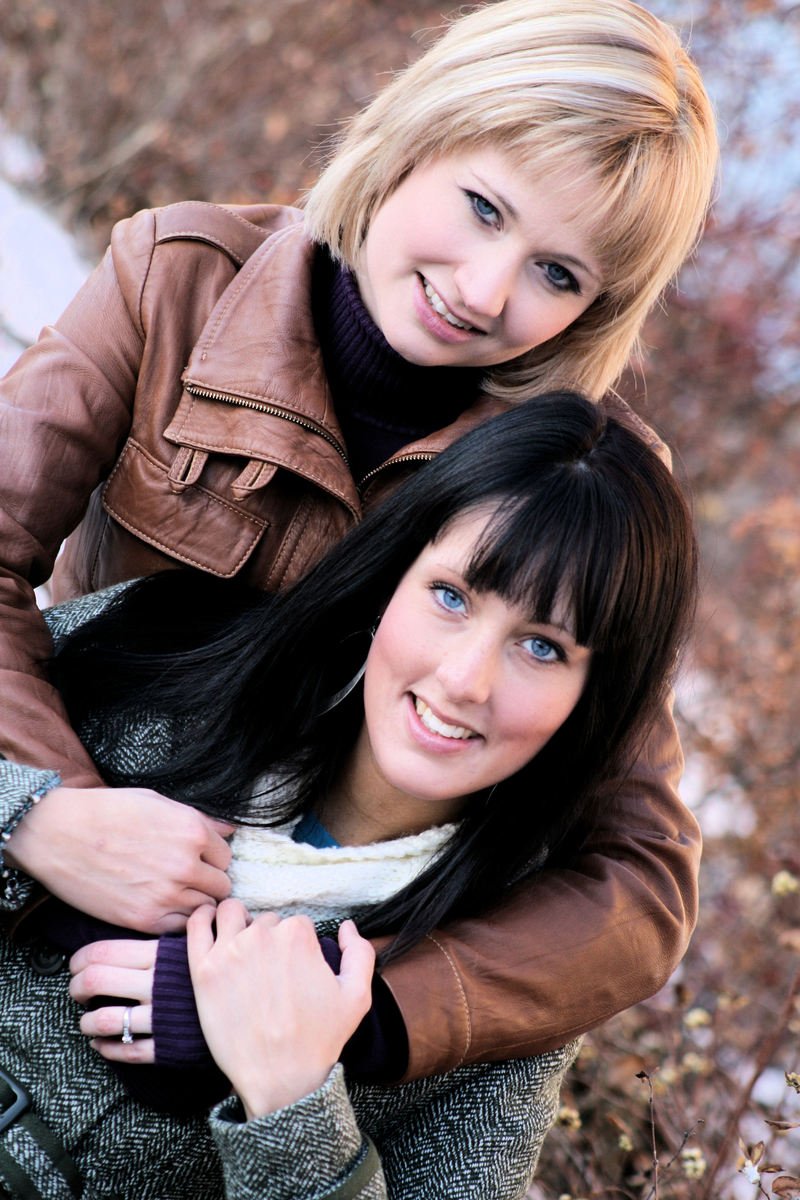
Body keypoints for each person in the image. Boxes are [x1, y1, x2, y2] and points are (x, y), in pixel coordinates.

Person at [0, 0, 718, 1084]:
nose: (483, 293)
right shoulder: (175, 278)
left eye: (557, 275)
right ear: (416, 133)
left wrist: (342, 1011)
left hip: (308, 961)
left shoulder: (576, 481)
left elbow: (637, 877)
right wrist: (50, 817)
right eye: (482, 208)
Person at [0, 395, 698, 1198]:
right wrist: (28, 823)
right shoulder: (168, 640)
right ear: (392, 577)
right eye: (452, 596)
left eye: (542, 647)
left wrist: (290, 1094)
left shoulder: (510, 985)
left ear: (595, 697)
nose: (464, 679)